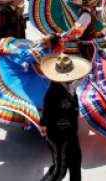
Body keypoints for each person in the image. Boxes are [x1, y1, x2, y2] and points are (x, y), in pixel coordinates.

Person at [39, 52, 91, 181]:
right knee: (59, 171)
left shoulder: (70, 86)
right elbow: (46, 118)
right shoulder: (52, 93)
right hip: (59, 139)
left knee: (75, 165)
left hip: (71, 135)